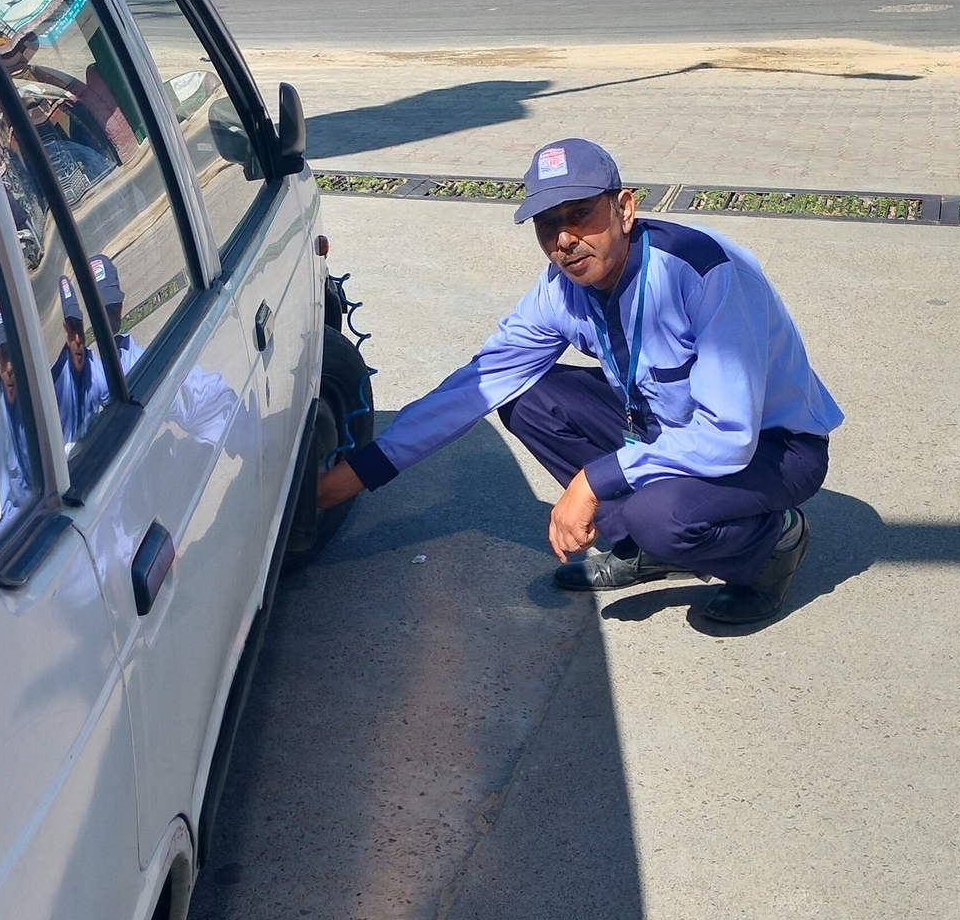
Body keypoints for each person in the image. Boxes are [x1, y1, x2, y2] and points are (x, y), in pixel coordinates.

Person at [313, 138, 842, 633]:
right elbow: (479, 384)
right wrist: (354, 476)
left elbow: (728, 435)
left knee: (662, 516)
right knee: (527, 399)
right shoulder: (561, 288)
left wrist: (593, 481)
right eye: (547, 224)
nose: (564, 240)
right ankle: (646, 547)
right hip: (660, 424)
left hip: (771, 447)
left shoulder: (704, 274)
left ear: (625, 209)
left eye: (580, 215)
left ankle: (774, 544)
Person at [51, 251, 146, 443]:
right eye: (101, 311)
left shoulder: (133, 357)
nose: (107, 318)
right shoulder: (88, 368)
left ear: (121, 305)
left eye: (111, 308)